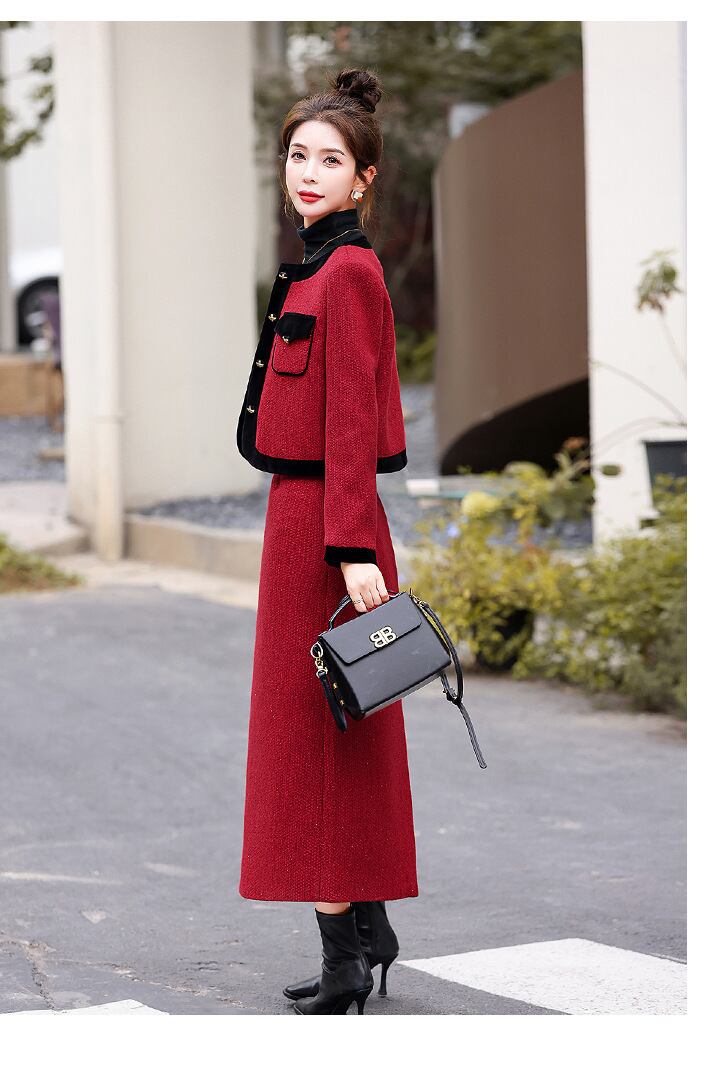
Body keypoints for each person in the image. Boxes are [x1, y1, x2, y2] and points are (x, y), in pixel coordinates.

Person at [236, 67, 418, 1015]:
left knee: (318, 739)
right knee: (335, 733)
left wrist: (351, 549)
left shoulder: (346, 274)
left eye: (330, 160)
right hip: (302, 522)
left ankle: (348, 960)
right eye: (298, 155)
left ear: (364, 177)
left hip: (324, 532)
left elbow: (351, 424)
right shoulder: (317, 265)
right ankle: (366, 934)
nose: (308, 173)